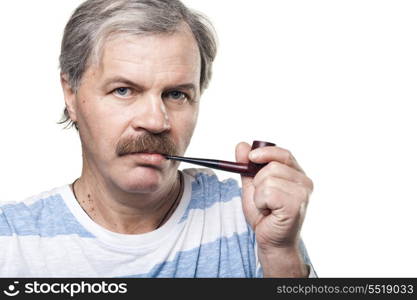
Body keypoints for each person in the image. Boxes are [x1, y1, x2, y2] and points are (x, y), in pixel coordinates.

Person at [0, 0, 316, 278]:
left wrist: (280, 254)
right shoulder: (12, 241)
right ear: (71, 94)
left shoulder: (252, 221)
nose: (155, 121)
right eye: (123, 90)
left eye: (176, 94)